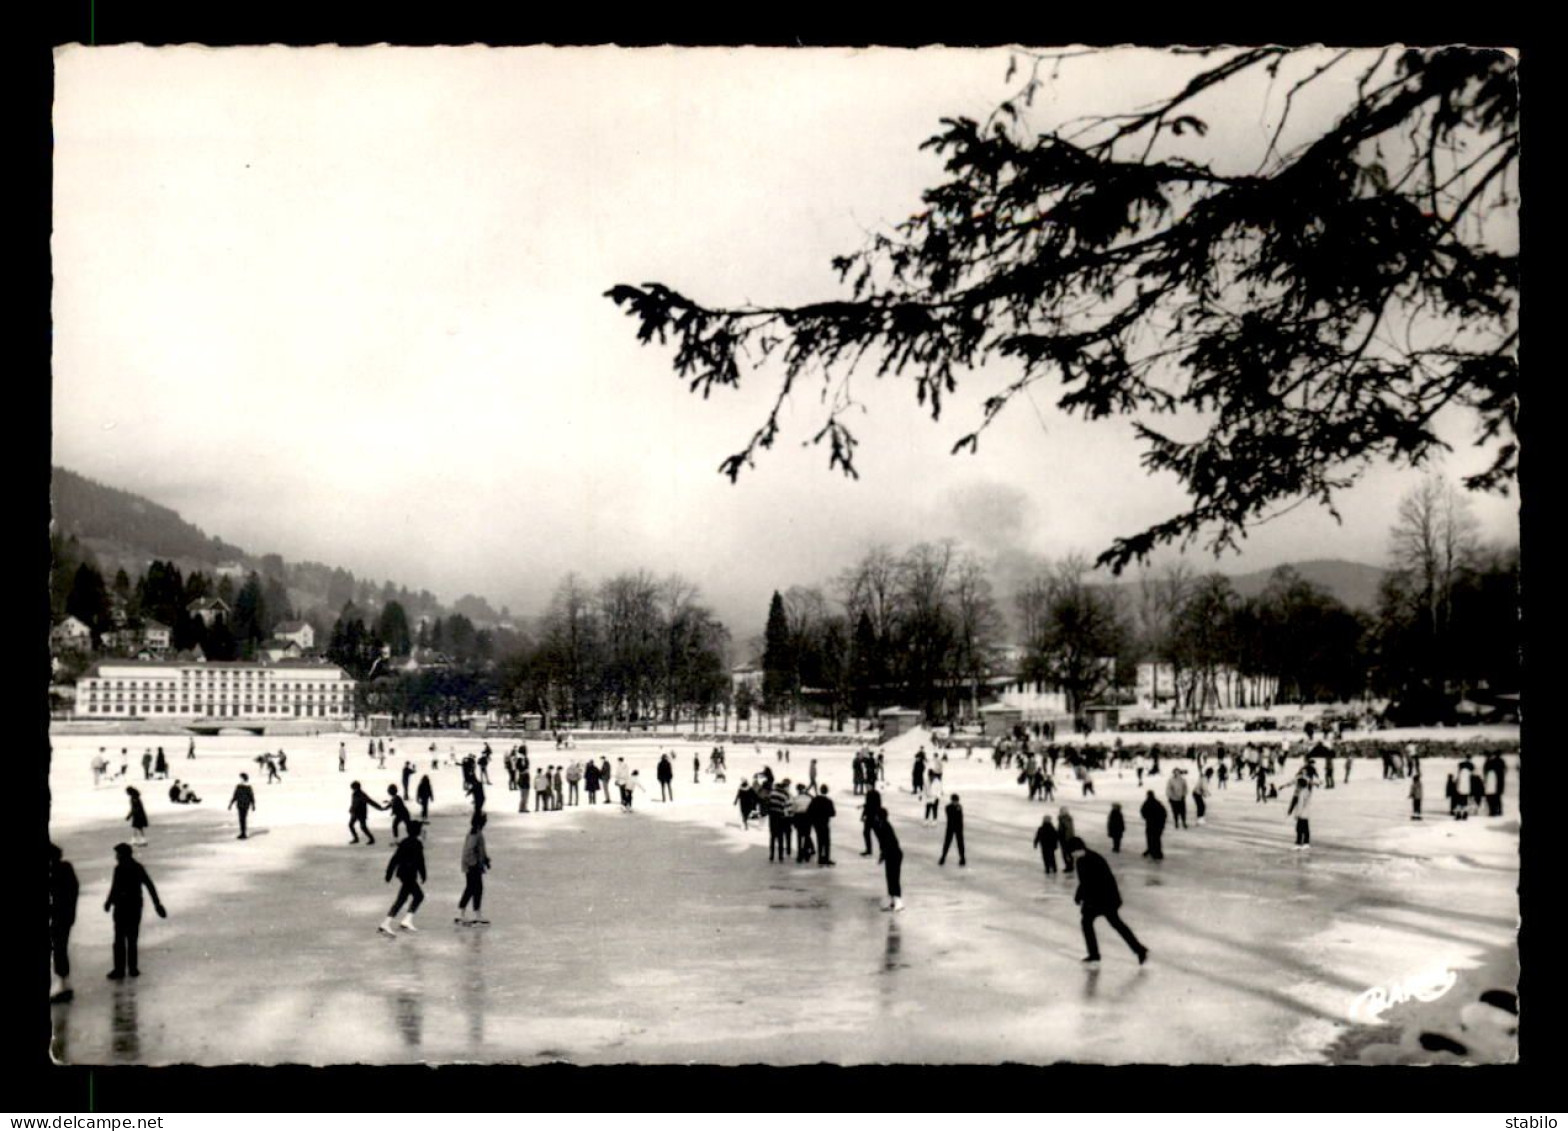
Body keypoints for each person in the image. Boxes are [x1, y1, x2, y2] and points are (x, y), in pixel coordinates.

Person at [1064, 838, 1148, 967]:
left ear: (1079, 849)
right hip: (1097, 899)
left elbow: (1097, 882)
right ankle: (1095, 954)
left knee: (1113, 924)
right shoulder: (1081, 860)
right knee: (1091, 923)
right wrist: (1079, 896)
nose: (1072, 856)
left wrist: (1084, 898)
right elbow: (1085, 882)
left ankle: (1139, 949)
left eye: (1073, 852)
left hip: (1105, 898)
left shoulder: (1093, 859)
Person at [104, 843, 166, 978]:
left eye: (117, 854)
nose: (116, 857)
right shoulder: (136, 868)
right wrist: (157, 904)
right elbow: (150, 886)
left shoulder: (121, 869)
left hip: (123, 907)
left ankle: (119, 969)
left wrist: (109, 902)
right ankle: (132, 968)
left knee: (120, 938)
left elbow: (114, 888)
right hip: (133, 906)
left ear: (123, 855)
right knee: (132, 938)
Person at [380, 821, 427, 935]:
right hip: (409, 875)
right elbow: (420, 861)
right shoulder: (417, 843)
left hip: (403, 874)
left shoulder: (404, 842)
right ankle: (393, 923)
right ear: (417, 831)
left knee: (404, 898)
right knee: (418, 896)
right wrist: (423, 874)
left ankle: (398, 921)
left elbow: (395, 859)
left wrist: (389, 874)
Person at [50, 843, 79, 1002]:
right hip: (64, 916)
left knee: (58, 948)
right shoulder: (66, 868)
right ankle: (63, 984)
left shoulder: (57, 871)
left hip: (59, 916)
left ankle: (63, 985)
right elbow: (74, 891)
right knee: (59, 948)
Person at [456, 813, 492, 926]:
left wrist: (485, 860)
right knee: (472, 888)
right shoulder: (474, 834)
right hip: (472, 867)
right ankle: (462, 912)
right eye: (484, 821)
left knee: (476, 889)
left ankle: (475, 913)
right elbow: (469, 851)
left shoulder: (477, 833)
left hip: (475, 866)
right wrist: (474, 864)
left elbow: (480, 850)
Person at [871, 807, 904, 912]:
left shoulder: (886, 826)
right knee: (889, 877)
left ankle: (898, 902)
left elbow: (888, 843)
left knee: (894, 877)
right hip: (889, 854)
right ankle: (892, 902)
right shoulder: (881, 825)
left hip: (894, 854)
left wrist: (882, 856)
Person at [809, 785, 837, 866]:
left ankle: (820, 858)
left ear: (820, 790)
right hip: (825, 823)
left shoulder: (815, 800)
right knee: (826, 841)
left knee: (819, 840)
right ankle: (827, 858)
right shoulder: (828, 801)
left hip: (817, 824)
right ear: (827, 791)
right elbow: (833, 813)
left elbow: (810, 811)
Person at [1287, 774, 1313, 850]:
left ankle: (1299, 843)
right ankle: (1305, 842)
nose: (1296, 786)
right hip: (1305, 813)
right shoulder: (1305, 791)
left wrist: (1297, 814)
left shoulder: (1302, 793)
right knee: (1304, 828)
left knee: (1300, 829)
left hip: (1302, 813)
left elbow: (1300, 804)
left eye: (1298, 784)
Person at [768, 779, 793, 861]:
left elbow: (768, 802)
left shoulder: (772, 792)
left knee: (772, 836)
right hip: (780, 816)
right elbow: (787, 807)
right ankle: (780, 856)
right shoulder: (785, 795)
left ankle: (771, 855)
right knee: (780, 837)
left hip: (772, 816)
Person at [939, 793, 966, 867]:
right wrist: (956, 809)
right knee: (947, 843)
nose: (956, 802)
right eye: (955, 801)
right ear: (952, 801)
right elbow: (950, 816)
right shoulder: (948, 807)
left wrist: (961, 827)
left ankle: (962, 858)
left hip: (958, 828)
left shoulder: (959, 807)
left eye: (957, 801)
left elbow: (960, 818)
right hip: (950, 827)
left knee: (960, 844)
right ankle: (943, 857)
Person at [1140, 791, 1167, 860]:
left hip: (1151, 823)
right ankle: (1157, 852)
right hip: (1158, 824)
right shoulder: (1158, 803)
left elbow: (1143, 812)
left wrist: (1147, 818)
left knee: (1151, 837)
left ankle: (1153, 851)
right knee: (1156, 838)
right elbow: (1164, 813)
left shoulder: (1147, 803)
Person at [792, 785, 816, 862]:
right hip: (808, 817)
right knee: (807, 835)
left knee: (799, 836)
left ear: (798, 790)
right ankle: (807, 854)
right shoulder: (809, 799)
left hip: (799, 817)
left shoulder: (796, 799)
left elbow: (793, 810)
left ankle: (800, 855)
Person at [229, 773, 257, 839]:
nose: (240, 779)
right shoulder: (239, 786)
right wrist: (231, 803)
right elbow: (235, 796)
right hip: (240, 804)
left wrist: (253, 805)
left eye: (241, 778)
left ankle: (243, 833)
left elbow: (251, 796)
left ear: (244, 778)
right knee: (242, 819)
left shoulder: (247, 787)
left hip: (245, 805)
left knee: (243, 819)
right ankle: (242, 833)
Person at [1484, 752, 1507, 817]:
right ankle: (1499, 811)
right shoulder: (1501, 762)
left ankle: (1493, 811)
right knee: (1497, 797)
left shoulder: (1490, 763)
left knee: (1492, 797)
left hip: (1493, 782)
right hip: (1499, 782)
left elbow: (1486, 773)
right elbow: (1504, 770)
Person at [1058, 807, 1076, 873]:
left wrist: (1067, 839)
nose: (1060, 812)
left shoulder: (1066, 819)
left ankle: (1069, 866)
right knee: (1066, 854)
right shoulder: (1062, 819)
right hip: (1064, 839)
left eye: (1061, 811)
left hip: (1066, 840)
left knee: (1067, 853)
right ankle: (1069, 865)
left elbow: (1068, 830)